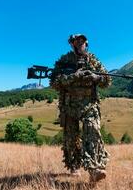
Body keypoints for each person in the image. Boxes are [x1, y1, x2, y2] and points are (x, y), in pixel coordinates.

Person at [49, 34, 111, 182]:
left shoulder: (93, 60)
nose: (80, 44)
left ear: (86, 43)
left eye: (82, 41)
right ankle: (74, 166)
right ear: (72, 44)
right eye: (77, 41)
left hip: (90, 105)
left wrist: (96, 78)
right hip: (69, 106)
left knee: (93, 133)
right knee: (71, 139)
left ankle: (95, 169)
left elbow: (107, 80)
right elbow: (54, 82)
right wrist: (73, 77)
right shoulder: (64, 61)